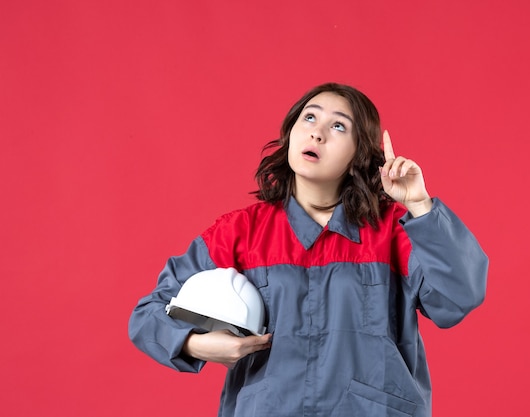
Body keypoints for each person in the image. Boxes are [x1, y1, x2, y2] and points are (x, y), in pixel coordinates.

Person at [129, 82, 488, 417]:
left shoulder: (395, 230)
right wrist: (196, 344)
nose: (317, 131)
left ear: (360, 153)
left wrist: (420, 205)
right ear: (290, 135)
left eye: (338, 127)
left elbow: (459, 297)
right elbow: (148, 315)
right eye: (310, 117)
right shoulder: (240, 233)